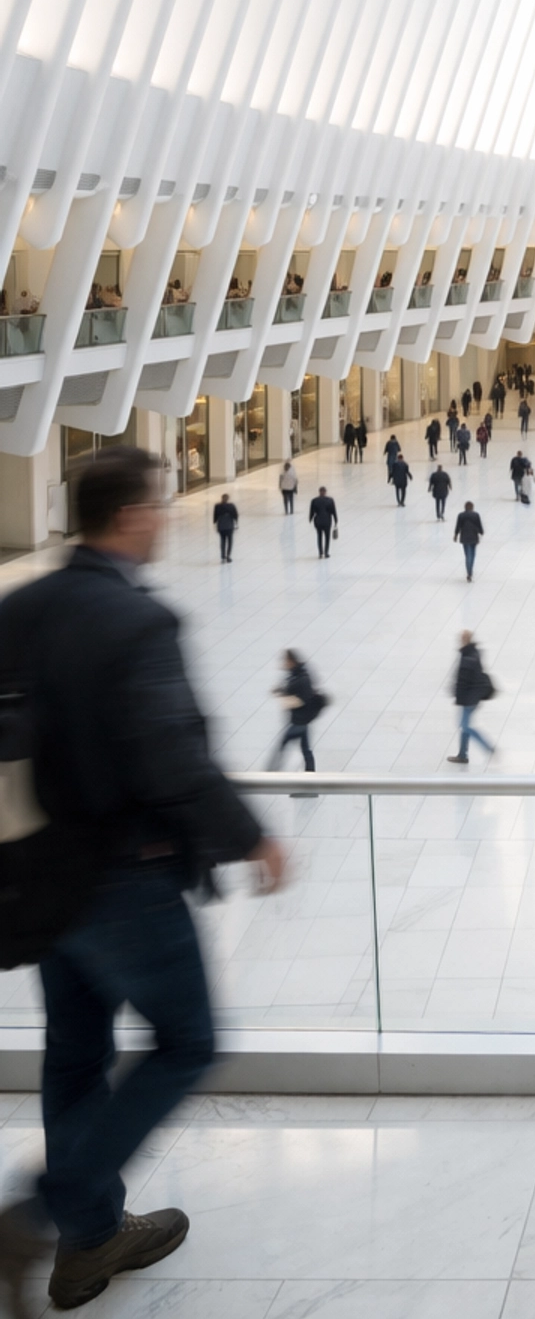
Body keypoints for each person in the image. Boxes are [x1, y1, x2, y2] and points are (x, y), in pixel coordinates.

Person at [0, 450, 286, 1315]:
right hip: (123, 877)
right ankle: (44, 1213)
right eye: (157, 507)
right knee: (188, 1042)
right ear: (127, 515)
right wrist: (250, 837)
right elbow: (172, 756)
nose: (164, 519)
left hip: (40, 879)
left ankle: (89, 1243)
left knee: (76, 1053)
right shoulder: (134, 622)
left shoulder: (18, 607)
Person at [269, 649, 324, 773]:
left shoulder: (302, 678)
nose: (284, 663)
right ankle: (310, 773)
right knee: (306, 749)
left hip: (299, 721)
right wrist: (281, 691)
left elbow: (302, 699)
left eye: (286, 661)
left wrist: (284, 696)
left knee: (283, 745)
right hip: (301, 721)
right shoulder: (295, 675)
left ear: (292, 661)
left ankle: (272, 771)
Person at [447, 630, 496, 762]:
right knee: (464, 727)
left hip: (469, 698)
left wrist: (459, 698)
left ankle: (488, 747)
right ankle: (463, 755)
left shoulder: (467, 657)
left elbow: (463, 681)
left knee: (465, 726)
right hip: (473, 697)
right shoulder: (473, 653)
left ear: (464, 640)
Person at [453, 501, 484, 578]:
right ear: (472, 507)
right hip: (474, 536)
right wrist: (481, 532)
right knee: (473, 554)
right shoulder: (476, 515)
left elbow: (458, 526)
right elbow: (479, 525)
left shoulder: (461, 515)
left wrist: (456, 535)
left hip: (464, 537)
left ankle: (469, 572)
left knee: (467, 555)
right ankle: (470, 570)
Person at [309, 485, 337, 559]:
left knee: (319, 537)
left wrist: (310, 519)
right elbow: (333, 511)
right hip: (327, 520)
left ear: (319, 492)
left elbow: (312, 511)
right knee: (327, 537)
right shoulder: (330, 500)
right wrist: (336, 520)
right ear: (325, 492)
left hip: (318, 521)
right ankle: (326, 552)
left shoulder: (314, 500)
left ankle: (320, 552)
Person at [212, 493, 237, 564]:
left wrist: (215, 523)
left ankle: (223, 556)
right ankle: (228, 556)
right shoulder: (231, 506)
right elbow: (235, 515)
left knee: (222, 541)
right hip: (229, 526)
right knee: (230, 541)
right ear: (228, 499)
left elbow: (215, 516)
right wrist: (236, 523)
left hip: (221, 526)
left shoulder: (217, 506)